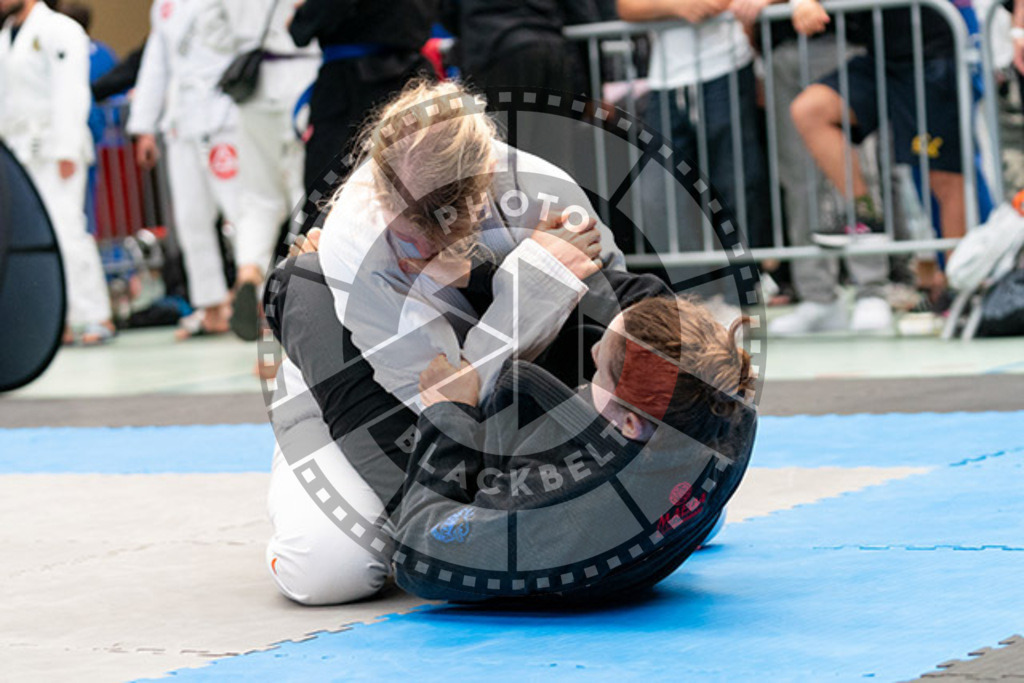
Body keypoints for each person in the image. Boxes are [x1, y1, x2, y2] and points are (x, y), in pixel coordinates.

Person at [262, 79, 628, 605]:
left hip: (499, 391)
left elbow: (620, 343)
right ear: (379, 192)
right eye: (405, 234)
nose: (414, 255)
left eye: (437, 238)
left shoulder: (546, 196)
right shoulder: (353, 237)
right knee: (328, 570)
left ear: (483, 192)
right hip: (353, 389)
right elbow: (441, 400)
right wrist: (535, 283)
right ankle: (300, 468)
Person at [395, 295, 754, 602]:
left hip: (574, 542)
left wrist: (448, 414)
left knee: (351, 568)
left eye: (598, 369)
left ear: (630, 425)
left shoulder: (558, 508)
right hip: (661, 519)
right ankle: (693, 518)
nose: (593, 357)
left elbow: (415, 559)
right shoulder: (731, 414)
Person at [730, 0, 892, 335]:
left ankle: (871, 288)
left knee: (855, 169)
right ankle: (818, 297)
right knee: (797, 177)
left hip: (838, 37)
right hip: (778, 47)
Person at [197, 0, 319, 341]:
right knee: (304, 195)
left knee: (256, 198)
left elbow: (212, 31)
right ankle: (298, 301)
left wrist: (245, 35)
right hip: (302, 80)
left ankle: (249, 270)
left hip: (253, 84)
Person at [0, 0, 114, 344]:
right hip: (19, 150)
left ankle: (95, 316)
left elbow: (71, 92)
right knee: (33, 240)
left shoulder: (61, 30)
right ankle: (57, 322)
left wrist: (66, 148)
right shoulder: (5, 36)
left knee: (66, 229)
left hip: (55, 147)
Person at [127, 0, 241, 340]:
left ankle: (263, 298)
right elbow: (156, 65)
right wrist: (144, 126)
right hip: (181, 123)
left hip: (226, 119)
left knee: (241, 214)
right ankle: (211, 306)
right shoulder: (164, 5)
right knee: (191, 219)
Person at [617, 0, 771, 249]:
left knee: (737, 185)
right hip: (666, 78)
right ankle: (695, 282)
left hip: (726, 66)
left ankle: (746, 280)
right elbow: (628, 7)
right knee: (657, 193)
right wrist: (677, 6)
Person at [287, 0, 437, 193]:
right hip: (413, 83)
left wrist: (301, 17)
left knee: (328, 193)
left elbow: (304, 28)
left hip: (350, 90)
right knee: (412, 186)